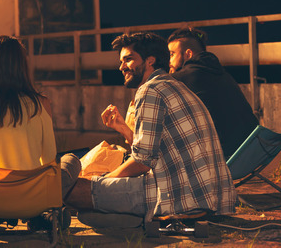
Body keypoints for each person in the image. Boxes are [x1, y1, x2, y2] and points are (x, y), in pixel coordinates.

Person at [65, 32, 236, 221]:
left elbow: (142, 162)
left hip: (178, 197)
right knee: (93, 197)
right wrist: (123, 129)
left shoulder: (150, 90)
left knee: (74, 190)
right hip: (207, 197)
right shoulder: (173, 85)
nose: (121, 67)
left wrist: (103, 180)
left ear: (150, 61)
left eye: (128, 59)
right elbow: (156, 151)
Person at [0, 35, 80, 229]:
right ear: (21, 66)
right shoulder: (40, 104)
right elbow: (49, 163)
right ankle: (42, 217)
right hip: (32, 202)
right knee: (71, 160)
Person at [168, 27, 259, 158]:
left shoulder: (181, 79)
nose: (169, 61)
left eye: (172, 54)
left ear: (188, 54)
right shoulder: (223, 74)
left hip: (222, 157)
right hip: (252, 151)